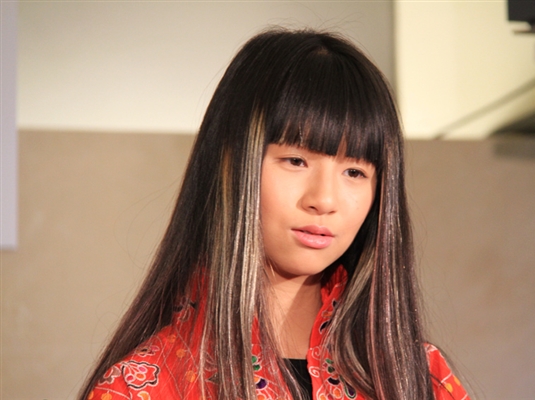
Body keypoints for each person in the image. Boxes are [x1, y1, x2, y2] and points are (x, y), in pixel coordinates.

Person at [79, 28, 470, 400]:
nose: (324, 199)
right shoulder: (139, 388)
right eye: (296, 161)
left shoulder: (419, 378)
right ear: (230, 165)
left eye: (354, 172)